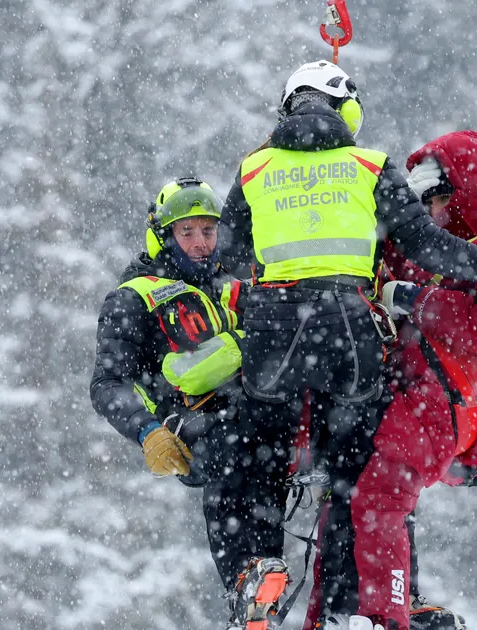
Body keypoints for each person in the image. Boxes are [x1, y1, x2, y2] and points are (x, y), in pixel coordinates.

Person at [216, 61, 477, 630]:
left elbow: (228, 255)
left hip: (278, 339)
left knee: (258, 450)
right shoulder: (369, 166)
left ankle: (263, 570)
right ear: (347, 112)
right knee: (358, 478)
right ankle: (362, 607)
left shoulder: (254, 168)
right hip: (351, 341)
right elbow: (423, 243)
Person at [298, 131, 477, 630]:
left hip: (451, 397)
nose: (430, 216)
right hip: (419, 394)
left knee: (380, 497)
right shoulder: (438, 251)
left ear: (467, 194)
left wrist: (413, 301)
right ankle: (339, 613)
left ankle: (384, 614)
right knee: (350, 493)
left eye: (436, 201)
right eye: (424, 205)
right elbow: (389, 258)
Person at [89, 177, 292, 630]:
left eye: (209, 230)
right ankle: (243, 579)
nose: (201, 243)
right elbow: (106, 383)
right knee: (234, 441)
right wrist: (147, 431)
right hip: (192, 422)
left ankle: (273, 589)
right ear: (163, 237)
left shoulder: (231, 286)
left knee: (309, 440)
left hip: (259, 413)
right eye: (187, 232)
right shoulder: (134, 297)